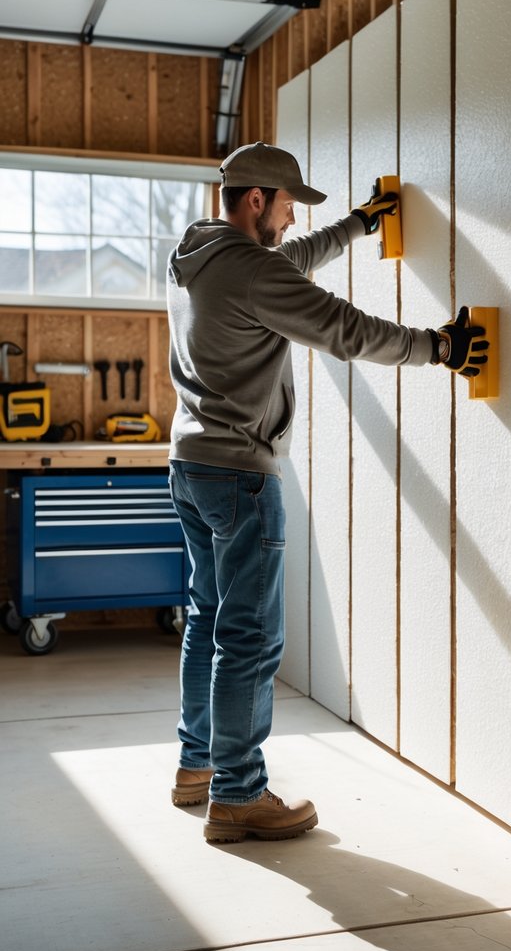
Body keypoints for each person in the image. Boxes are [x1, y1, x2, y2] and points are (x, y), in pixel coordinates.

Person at [166, 141, 487, 844]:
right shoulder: (250, 269)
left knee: (208, 617)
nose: (289, 215)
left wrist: (358, 224)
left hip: (189, 466)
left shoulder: (198, 254)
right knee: (249, 636)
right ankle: (239, 793)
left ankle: (198, 765)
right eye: (286, 203)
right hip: (240, 476)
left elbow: (287, 262)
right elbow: (343, 329)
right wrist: (440, 346)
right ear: (257, 201)